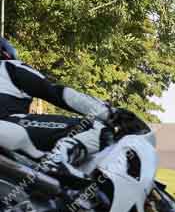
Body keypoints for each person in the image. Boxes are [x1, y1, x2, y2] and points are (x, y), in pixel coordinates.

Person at [0, 37, 116, 180]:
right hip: (8, 124)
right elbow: (57, 93)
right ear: (6, 54)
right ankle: (56, 163)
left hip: (11, 133)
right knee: (97, 129)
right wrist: (110, 113)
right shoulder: (9, 66)